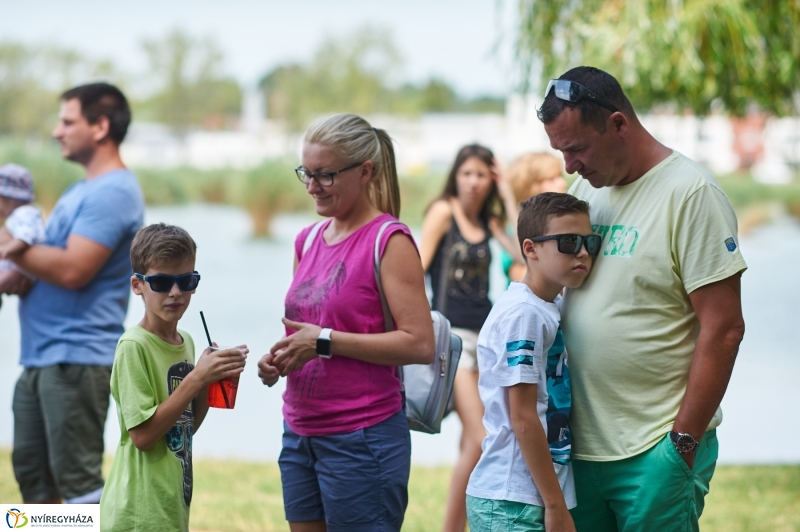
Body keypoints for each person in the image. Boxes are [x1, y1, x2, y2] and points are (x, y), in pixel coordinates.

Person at [539, 66, 747, 531]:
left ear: (618, 124)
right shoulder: (586, 192)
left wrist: (682, 445)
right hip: (581, 449)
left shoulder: (690, 193)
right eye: (560, 152)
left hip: (655, 448)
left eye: (576, 149)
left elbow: (725, 327)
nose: (569, 165)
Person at [256, 113, 434, 532]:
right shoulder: (307, 240)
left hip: (362, 437)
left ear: (365, 171)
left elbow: (419, 344)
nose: (312, 186)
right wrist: (280, 359)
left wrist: (324, 342)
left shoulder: (388, 241)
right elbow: (307, 333)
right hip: (299, 431)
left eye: (326, 175)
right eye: (307, 173)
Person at [4, 82, 145, 504]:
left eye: (68, 121)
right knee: (34, 478)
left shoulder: (114, 191)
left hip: (75, 356)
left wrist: (11, 245)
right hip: (42, 355)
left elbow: (71, 270)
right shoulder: (80, 190)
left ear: (100, 126)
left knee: (79, 487)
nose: (56, 131)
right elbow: (44, 262)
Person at [99, 223, 247, 531]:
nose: (176, 292)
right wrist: (195, 379)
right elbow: (143, 437)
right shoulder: (133, 346)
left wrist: (210, 379)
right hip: (138, 511)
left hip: (171, 505)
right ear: (137, 285)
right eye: (162, 282)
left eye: (186, 280)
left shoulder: (187, 343)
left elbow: (184, 430)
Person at [467, 192, 598, 532]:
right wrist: (555, 506)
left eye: (590, 241)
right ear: (531, 249)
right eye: (568, 242)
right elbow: (523, 418)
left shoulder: (545, 306)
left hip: (528, 495)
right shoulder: (524, 313)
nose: (583, 251)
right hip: (512, 501)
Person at [419, 144, 519, 532]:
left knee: (470, 441)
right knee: (480, 437)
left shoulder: (492, 223)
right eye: (467, 173)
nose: (474, 182)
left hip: (485, 337)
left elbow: (525, 257)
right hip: (451, 341)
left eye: (481, 174)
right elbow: (416, 267)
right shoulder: (444, 212)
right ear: (455, 176)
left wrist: (509, 193)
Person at [496, 152, 567, 283]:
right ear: (529, 187)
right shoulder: (512, 231)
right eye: (551, 179)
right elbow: (521, 276)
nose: (562, 183)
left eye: (560, 176)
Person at [0, 163, 46, 306]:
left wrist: (7, 250)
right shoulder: (17, 215)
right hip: (14, 265)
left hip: (19, 269)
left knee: (8, 278)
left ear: (10, 199)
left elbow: (24, 238)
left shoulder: (25, 214)